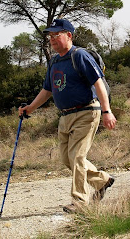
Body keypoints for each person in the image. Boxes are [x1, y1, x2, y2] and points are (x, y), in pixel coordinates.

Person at [19, 18, 117, 213]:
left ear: (69, 35)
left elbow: (98, 83)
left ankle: (80, 202)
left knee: (77, 156)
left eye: (57, 35)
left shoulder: (79, 56)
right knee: (67, 158)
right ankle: (102, 181)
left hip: (87, 112)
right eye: (50, 36)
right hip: (65, 116)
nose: (52, 40)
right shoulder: (55, 61)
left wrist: (107, 111)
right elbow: (47, 90)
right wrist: (30, 108)